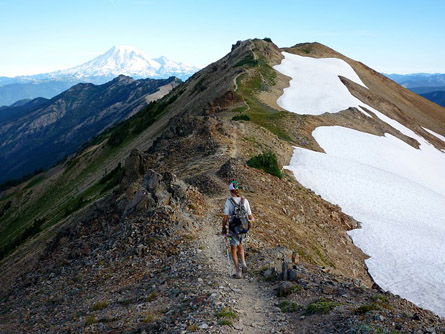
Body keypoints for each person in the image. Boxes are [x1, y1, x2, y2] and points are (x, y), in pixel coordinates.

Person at [221, 181, 254, 279]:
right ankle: (243, 263)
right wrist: (248, 225)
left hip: (233, 229)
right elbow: (250, 216)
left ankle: (238, 271)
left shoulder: (228, 201)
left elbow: (226, 218)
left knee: (233, 248)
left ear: (231, 191)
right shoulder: (245, 200)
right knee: (240, 244)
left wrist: (224, 227)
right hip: (244, 229)